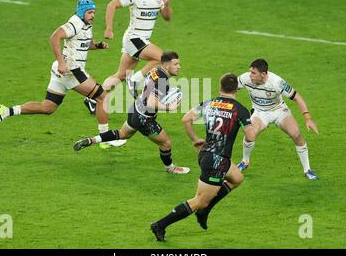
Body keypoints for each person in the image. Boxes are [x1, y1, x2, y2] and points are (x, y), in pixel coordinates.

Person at [0, 0, 126, 147]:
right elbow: (55, 37)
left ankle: (6, 111)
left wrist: (98, 45)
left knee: (48, 107)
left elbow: (85, 44)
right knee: (102, 97)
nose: (93, 15)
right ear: (82, 12)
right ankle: (105, 139)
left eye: (94, 12)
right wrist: (62, 62)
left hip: (62, 70)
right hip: (70, 70)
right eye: (89, 12)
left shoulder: (86, 25)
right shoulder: (75, 23)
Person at [150, 73, 255, 242]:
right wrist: (251, 120)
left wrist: (195, 140)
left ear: (220, 87)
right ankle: (160, 225)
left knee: (237, 178)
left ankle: (205, 210)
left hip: (207, 154)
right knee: (199, 201)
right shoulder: (240, 110)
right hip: (217, 162)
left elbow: (186, 119)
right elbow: (251, 136)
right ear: (236, 89)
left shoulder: (209, 103)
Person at [74, 51, 190, 174]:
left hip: (135, 109)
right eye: (176, 64)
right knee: (166, 143)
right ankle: (170, 168)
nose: (179, 67)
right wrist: (169, 107)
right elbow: (151, 103)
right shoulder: (162, 81)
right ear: (166, 66)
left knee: (123, 134)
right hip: (145, 120)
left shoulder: (155, 71)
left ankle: (92, 140)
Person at [83, 0, 171, 115]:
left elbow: (167, 17)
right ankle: (135, 80)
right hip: (134, 38)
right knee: (162, 58)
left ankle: (92, 99)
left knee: (121, 75)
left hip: (142, 39)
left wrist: (167, 3)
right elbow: (112, 5)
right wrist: (109, 28)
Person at [236, 58, 319, 180]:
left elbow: (297, 98)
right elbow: (230, 90)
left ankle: (307, 170)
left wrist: (307, 118)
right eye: (250, 72)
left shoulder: (276, 82)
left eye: (254, 73)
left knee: (296, 134)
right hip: (260, 113)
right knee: (250, 134)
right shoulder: (245, 79)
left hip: (279, 111)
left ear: (263, 74)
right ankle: (245, 161)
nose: (250, 75)